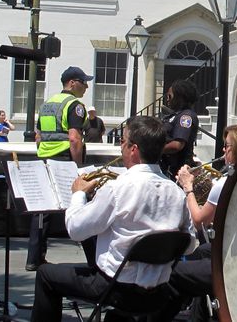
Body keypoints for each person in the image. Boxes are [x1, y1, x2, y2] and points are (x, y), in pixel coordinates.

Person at [31, 115, 196, 322]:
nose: (120, 147)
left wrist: (79, 194)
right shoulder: (177, 192)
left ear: (133, 149)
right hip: (158, 291)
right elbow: (189, 245)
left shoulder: (117, 188)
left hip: (116, 288)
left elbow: (75, 229)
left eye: (122, 141)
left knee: (46, 274)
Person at [152, 123, 237, 322]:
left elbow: (199, 219)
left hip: (232, 260)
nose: (223, 150)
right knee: (199, 252)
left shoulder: (225, 183)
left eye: (227, 146)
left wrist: (188, 187)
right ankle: (199, 309)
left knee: (173, 272)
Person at [27, 66, 92, 272]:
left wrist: (44, 154)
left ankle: (34, 258)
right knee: (79, 203)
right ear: (72, 83)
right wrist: (77, 166)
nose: (87, 86)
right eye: (84, 82)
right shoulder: (75, 105)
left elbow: (38, 136)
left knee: (42, 210)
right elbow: (74, 138)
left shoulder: (47, 104)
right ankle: (93, 257)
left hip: (45, 159)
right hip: (65, 159)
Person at [160, 79, 199, 179]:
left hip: (177, 173)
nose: (167, 99)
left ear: (180, 97)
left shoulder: (186, 116)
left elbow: (177, 145)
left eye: (170, 96)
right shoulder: (174, 115)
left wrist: (153, 150)